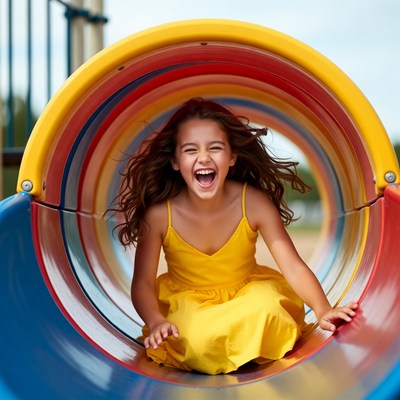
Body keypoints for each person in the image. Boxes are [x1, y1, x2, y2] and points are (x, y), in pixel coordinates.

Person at [113, 97, 358, 375]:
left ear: (231, 158)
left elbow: (292, 266)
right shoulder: (160, 214)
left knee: (269, 310)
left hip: (246, 291)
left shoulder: (252, 202)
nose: (203, 157)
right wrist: (156, 321)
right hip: (189, 302)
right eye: (190, 150)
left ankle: (237, 347)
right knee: (192, 335)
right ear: (174, 161)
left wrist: (323, 309)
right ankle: (236, 347)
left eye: (215, 148)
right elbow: (143, 283)